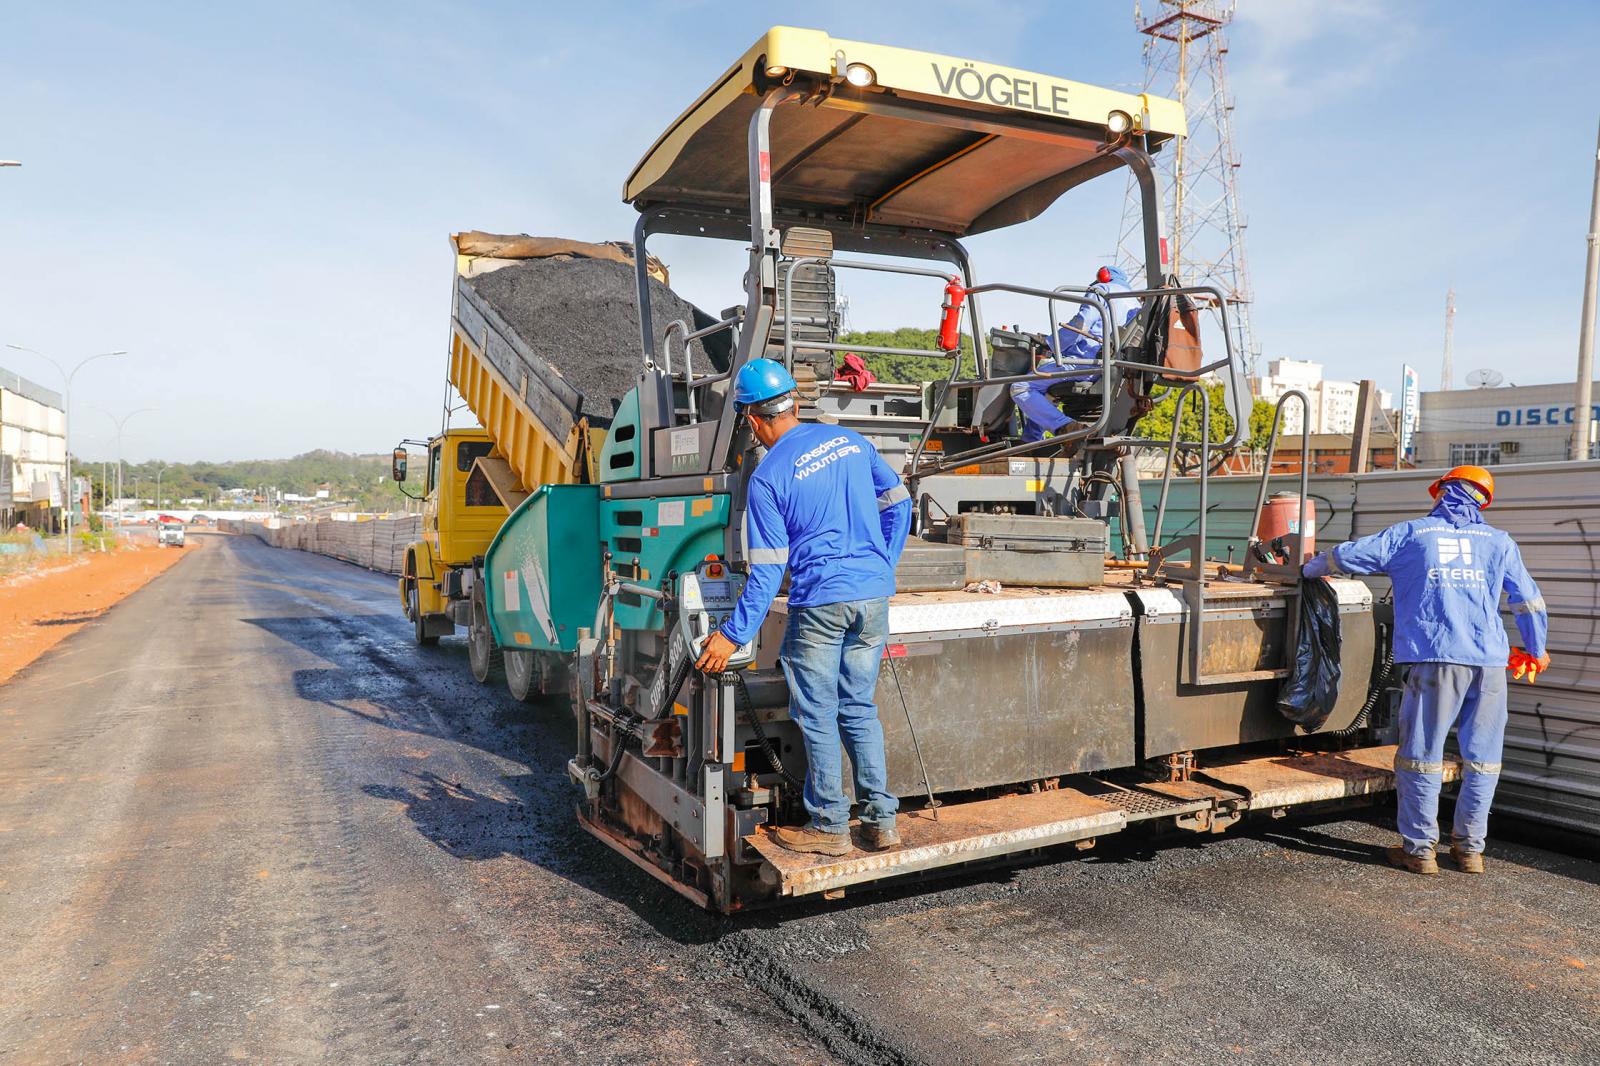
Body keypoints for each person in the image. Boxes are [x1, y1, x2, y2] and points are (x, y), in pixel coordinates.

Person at [695, 357, 913, 856]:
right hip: (872, 596)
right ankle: (881, 822)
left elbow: (768, 572)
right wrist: (881, 562)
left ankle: (831, 827)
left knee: (818, 713)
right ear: (793, 402)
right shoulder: (852, 441)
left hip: (821, 603)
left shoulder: (768, 477)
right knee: (858, 708)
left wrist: (731, 635)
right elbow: (899, 502)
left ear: (752, 420)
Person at [1301, 465, 1549, 875]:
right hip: (1489, 663)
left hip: (1436, 660)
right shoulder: (1499, 541)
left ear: (1440, 492)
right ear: (1483, 502)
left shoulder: (1413, 534)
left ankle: (1419, 851)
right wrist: (1536, 649)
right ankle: (1470, 851)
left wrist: (1310, 567)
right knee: (1484, 760)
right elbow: (1528, 600)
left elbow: (1350, 555)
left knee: (1422, 756)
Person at [1010, 265, 1140, 442]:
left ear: (1104, 276)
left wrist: (1051, 343)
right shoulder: (1135, 302)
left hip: (1087, 363)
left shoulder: (1102, 291)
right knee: (1045, 390)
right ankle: (1031, 440)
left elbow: (1081, 324)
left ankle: (1067, 428)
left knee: (1021, 387)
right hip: (1113, 368)